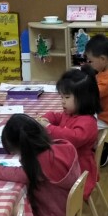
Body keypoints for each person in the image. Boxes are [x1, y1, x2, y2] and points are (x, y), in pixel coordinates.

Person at [42, 66, 101, 199]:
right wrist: (46, 118)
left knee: (41, 183)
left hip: (77, 172)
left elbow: (73, 138)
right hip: (68, 164)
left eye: (67, 97)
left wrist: (49, 127)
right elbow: (57, 116)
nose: (62, 101)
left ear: (83, 98)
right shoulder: (71, 113)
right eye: (61, 96)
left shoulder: (88, 122)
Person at [85, 34, 108, 166]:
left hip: (107, 117)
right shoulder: (105, 71)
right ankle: (98, 147)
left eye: (91, 61)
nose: (90, 64)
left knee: (85, 127)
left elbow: (95, 93)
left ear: (102, 59)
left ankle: (103, 150)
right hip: (103, 114)